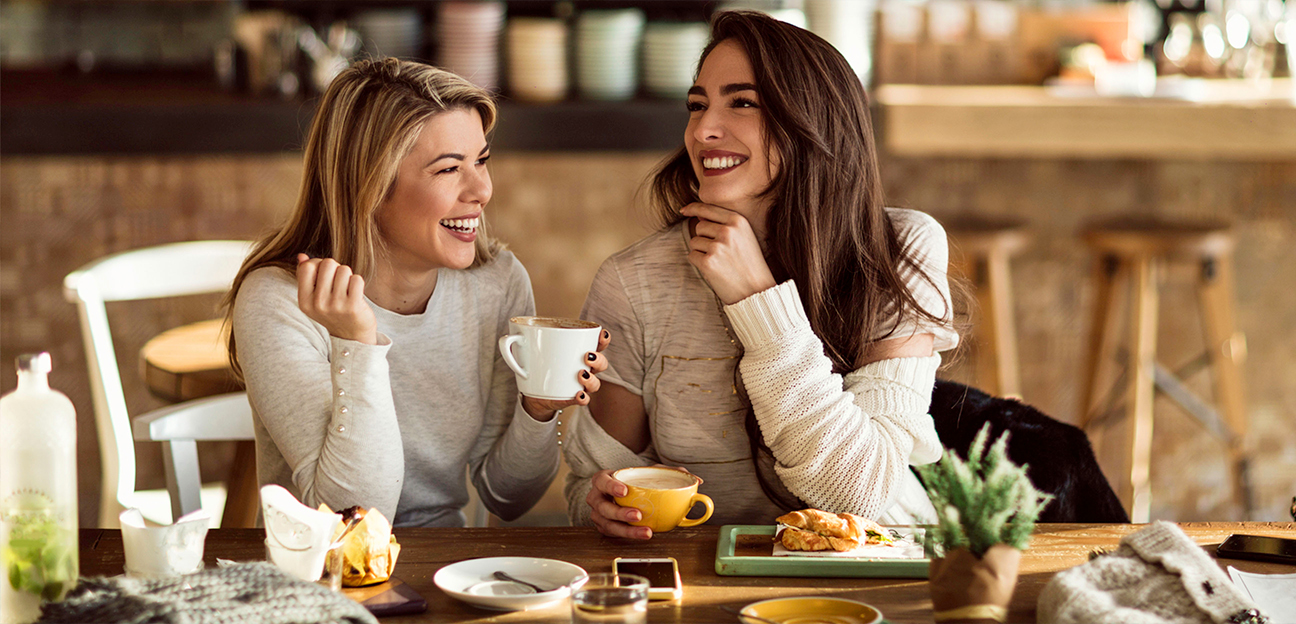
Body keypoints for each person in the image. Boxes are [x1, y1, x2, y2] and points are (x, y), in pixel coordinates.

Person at [564, 10, 963, 539]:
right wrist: (601, 506)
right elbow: (589, 488)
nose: (703, 130)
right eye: (697, 105)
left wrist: (757, 299)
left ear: (813, 122)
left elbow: (860, 494)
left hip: (879, 570)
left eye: (743, 102)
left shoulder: (898, 250)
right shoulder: (633, 281)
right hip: (703, 575)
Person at [223, 58, 609, 527]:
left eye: (481, 160)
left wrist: (538, 409)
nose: (482, 190)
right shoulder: (282, 301)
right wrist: (357, 344)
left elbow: (509, 498)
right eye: (449, 169)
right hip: (322, 575)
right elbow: (355, 516)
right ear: (369, 185)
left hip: (447, 570)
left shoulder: (497, 283)